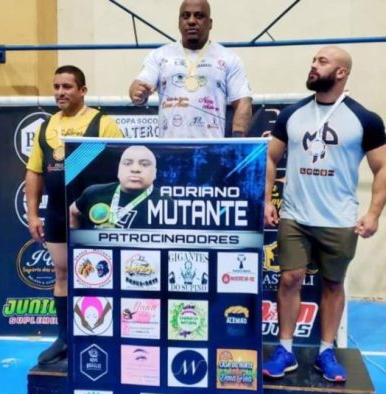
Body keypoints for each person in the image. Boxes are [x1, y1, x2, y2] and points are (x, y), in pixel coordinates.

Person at [263, 46, 386, 382]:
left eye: (322, 61)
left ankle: (325, 352)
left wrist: (374, 213)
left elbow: (382, 168)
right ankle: (285, 350)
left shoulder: (365, 119)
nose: (313, 65)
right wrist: (266, 200)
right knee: (290, 279)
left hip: (339, 219)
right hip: (295, 216)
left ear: (341, 72)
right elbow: (271, 158)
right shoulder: (292, 115)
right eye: (313, 60)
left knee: (333, 283)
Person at [25, 65, 123, 365]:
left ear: (83, 90)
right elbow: (34, 171)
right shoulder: (46, 126)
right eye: (56, 86)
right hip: (57, 212)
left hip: (94, 215)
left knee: (100, 276)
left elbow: (121, 170)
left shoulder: (102, 123)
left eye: (67, 87)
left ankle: (101, 338)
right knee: (63, 274)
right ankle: (65, 339)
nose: (60, 92)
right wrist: (33, 214)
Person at [129, 0, 252, 138]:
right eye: (185, 16)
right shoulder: (159, 55)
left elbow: (243, 102)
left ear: (210, 23)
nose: (191, 21)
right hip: (170, 147)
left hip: (211, 148)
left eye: (199, 16)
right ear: (179, 22)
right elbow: (138, 85)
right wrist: (137, 93)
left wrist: (237, 142)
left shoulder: (229, 58)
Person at [69, 145, 159, 229]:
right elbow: (73, 211)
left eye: (144, 164)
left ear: (155, 173)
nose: (135, 169)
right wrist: (76, 238)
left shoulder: (164, 202)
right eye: (127, 163)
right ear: (119, 169)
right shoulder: (94, 193)